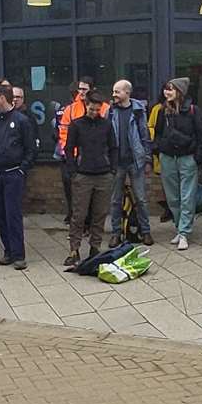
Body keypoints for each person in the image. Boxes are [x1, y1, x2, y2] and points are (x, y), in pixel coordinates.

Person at [0, 82, 38, 269]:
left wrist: (22, 168)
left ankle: (18, 254)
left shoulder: (21, 120)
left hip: (12, 174)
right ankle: (7, 251)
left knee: (13, 214)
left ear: (2, 98)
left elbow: (31, 149)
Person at [63, 89, 117, 266]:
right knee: (79, 215)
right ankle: (74, 249)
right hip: (83, 175)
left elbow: (113, 147)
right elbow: (69, 149)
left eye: (97, 109)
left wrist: (112, 169)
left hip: (103, 174)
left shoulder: (106, 125)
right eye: (91, 109)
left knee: (100, 214)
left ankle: (95, 247)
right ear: (86, 106)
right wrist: (73, 171)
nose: (94, 113)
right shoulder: (76, 125)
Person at [153, 78, 202, 252]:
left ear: (180, 91)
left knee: (187, 197)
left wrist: (196, 157)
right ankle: (179, 227)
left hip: (186, 158)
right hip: (168, 157)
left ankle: (184, 232)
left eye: (171, 89)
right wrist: (160, 149)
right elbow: (158, 133)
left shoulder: (193, 110)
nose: (167, 92)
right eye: (166, 89)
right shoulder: (162, 111)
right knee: (172, 197)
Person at [105, 80, 154, 247]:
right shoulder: (110, 111)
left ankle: (145, 231)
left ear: (127, 93)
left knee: (141, 199)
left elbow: (145, 135)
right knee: (115, 200)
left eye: (117, 91)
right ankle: (116, 233)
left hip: (135, 161)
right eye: (113, 91)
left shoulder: (139, 110)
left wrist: (148, 159)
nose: (114, 95)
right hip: (116, 162)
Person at [56, 79, 105, 224]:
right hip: (73, 157)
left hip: (93, 157)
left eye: (85, 89)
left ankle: (90, 223)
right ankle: (76, 221)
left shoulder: (103, 108)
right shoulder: (70, 109)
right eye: (80, 89)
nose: (81, 92)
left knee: (93, 194)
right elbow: (63, 133)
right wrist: (69, 153)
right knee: (73, 192)